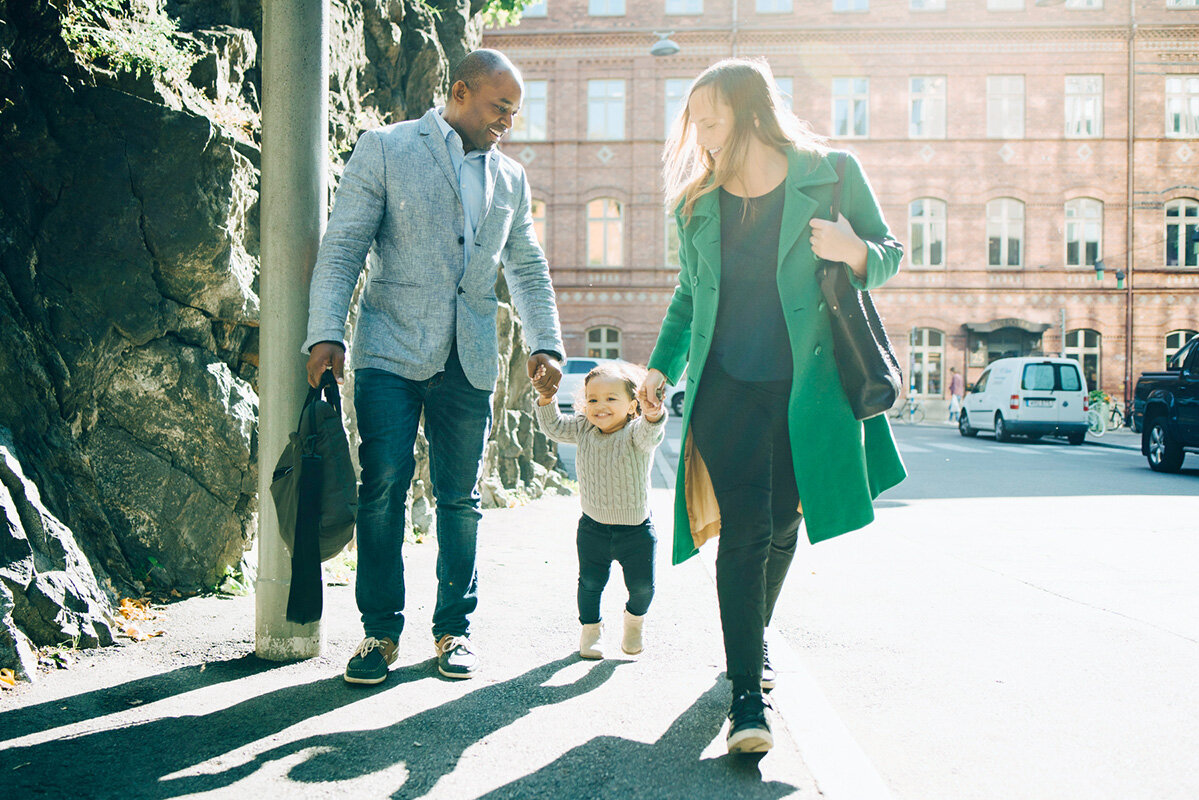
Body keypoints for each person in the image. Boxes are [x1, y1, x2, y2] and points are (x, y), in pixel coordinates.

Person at [638, 59, 907, 755]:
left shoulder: (832, 173)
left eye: (709, 116)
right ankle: (746, 699)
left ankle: (749, 644)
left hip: (804, 393)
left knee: (785, 520)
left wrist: (853, 252)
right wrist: (660, 368)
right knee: (745, 532)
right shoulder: (697, 203)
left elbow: (889, 251)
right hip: (724, 390)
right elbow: (688, 296)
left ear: (750, 111)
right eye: (693, 120)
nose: (699, 131)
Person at [304, 49, 564, 685]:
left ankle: (454, 630)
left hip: (469, 357)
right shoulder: (385, 148)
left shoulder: (511, 179)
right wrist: (324, 334)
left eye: (515, 112)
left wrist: (545, 344)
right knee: (383, 490)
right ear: (460, 91)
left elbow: (525, 266)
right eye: (500, 107)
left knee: (460, 500)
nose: (508, 121)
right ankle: (378, 635)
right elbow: (344, 247)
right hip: (389, 349)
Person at [532, 362, 666, 660]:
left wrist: (654, 413)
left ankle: (634, 621)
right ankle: (591, 629)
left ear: (633, 405)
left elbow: (651, 433)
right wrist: (546, 398)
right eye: (592, 399)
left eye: (610, 398)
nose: (599, 406)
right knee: (590, 584)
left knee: (642, 587)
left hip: (636, 531)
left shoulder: (636, 434)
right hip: (593, 528)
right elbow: (553, 427)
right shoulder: (583, 427)